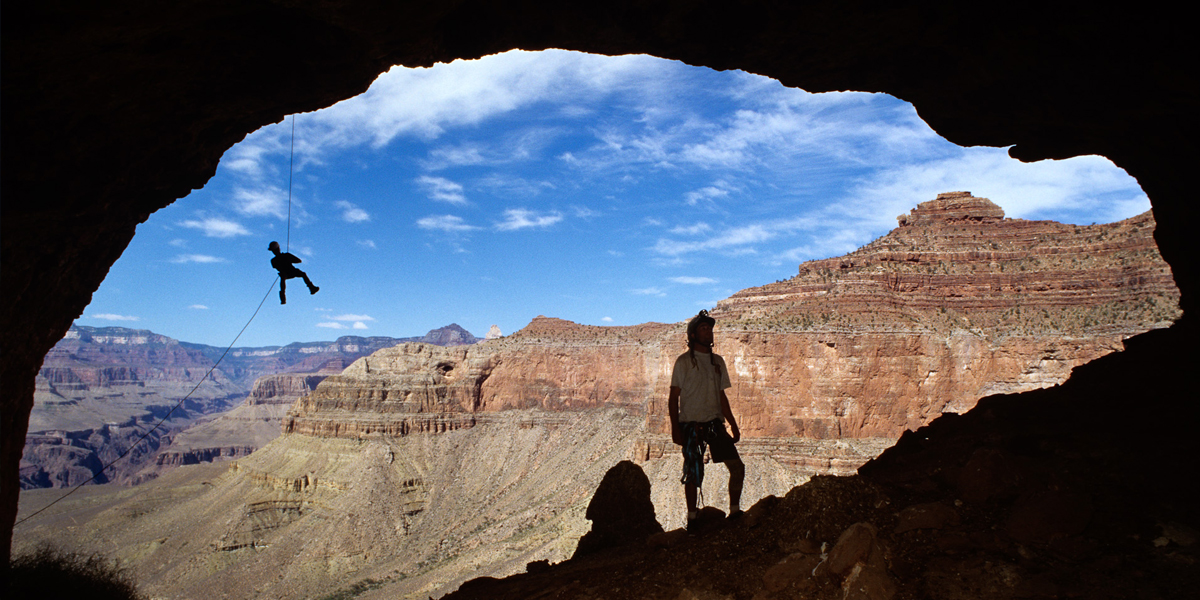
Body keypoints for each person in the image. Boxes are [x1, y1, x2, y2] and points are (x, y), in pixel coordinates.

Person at [668, 309, 744, 532]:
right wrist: (675, 429)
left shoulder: (717, 362)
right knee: (693, 473)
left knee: (737, 467)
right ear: (692, 335)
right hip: (691, 425)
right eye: (703, 328)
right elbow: (673, 398)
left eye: (710, 328)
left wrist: (733, 424)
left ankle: (735, 511)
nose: (708, 332)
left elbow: (721, 396)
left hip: (714, 424)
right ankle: (692, 519)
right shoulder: (683, 362)